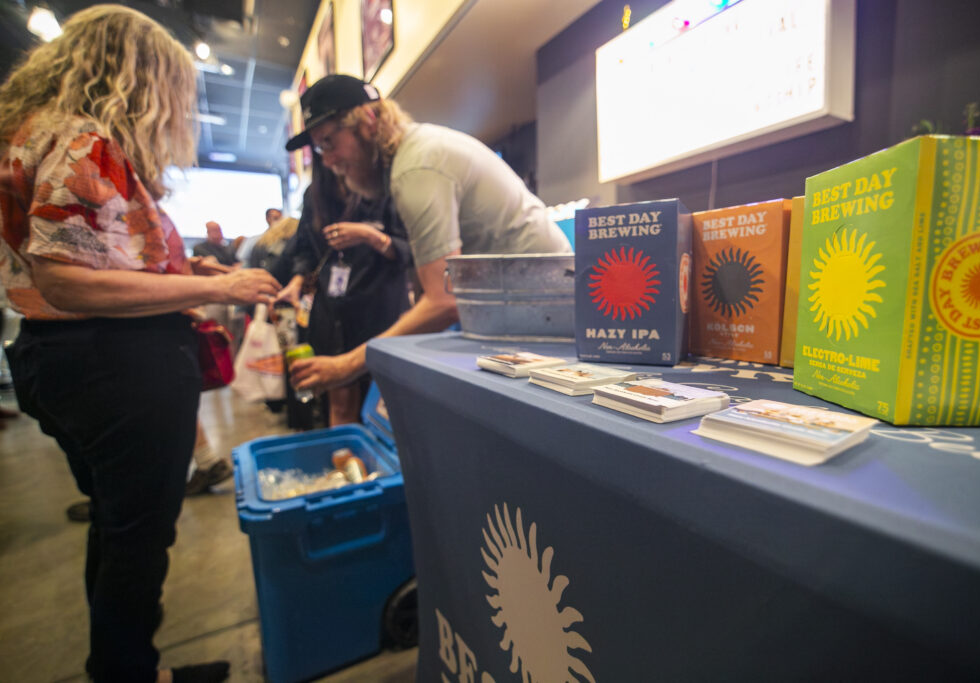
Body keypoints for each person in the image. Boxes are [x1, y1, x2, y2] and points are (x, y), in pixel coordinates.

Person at [0, 6, 281, 682]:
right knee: (139, 542)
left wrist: (189, 273)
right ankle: (127, 670)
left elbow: (88, 261)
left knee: (115, 524)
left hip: (55, 359)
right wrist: (218, 288)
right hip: (117, 366)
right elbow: (70, 281)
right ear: (141, 77)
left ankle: (127, 665)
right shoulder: (85, 138)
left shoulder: (28, 133)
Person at [284, 74, 571, 395]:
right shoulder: (413, 154)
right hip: (519, 302)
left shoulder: (415, 168)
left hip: (541, 304)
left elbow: (442, 302)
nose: (329, 161)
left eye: (328, 143)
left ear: (367, 119)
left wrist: (346, 365)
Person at [273, 153, 412, 425]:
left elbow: (412, 251)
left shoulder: (388, 187)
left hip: (380, 310)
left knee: (384, 399)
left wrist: (370, 236)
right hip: (332, 312)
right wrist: (296, 283)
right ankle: (344, 460)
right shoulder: (316, 193)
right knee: (339, 395)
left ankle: (381, 463)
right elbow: (305, 248)